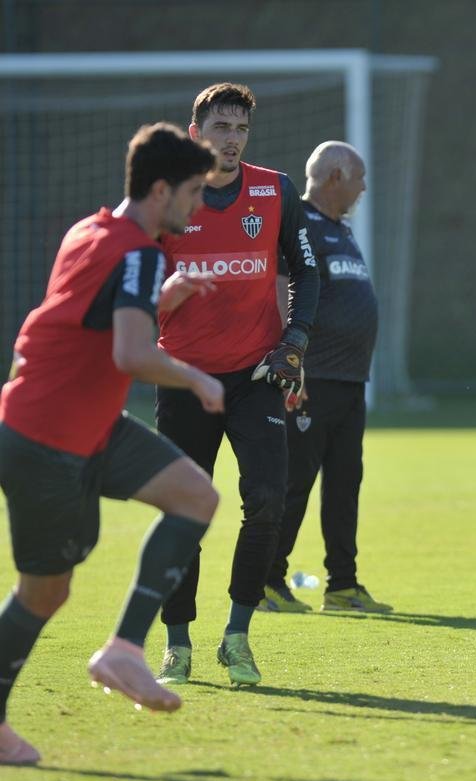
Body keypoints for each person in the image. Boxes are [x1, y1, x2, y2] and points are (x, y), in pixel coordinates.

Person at [0, 123, 222, 765]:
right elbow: (130, 351)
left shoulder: (92, 230)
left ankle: (124, 651)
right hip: (46, 437)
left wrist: (164, 299)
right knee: (44, 592)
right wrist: (194, 375)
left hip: (86, 424)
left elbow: (92, 324)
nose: (198, 206)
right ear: (161, 189)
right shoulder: (140, 254)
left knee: (195, 496)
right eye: (191, 192)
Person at [154, 83, 320, 687]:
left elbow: (304, 270)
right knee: (184, 512)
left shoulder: (274, 190)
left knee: (269, 502)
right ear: (195, 132)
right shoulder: (167, 199)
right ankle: (177, 643)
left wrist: (294, 340)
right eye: (220, 127)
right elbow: (134, 286)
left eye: (240, 129)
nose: (231, 139)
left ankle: (238, 637)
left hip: (256, 377)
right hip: (184, 379)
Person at [259, 141, 391, 615]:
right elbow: (278, 288)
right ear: (334, 176)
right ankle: (267, 581)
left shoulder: (343, 230)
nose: (363, 187)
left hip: (350, 380)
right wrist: (291, 361)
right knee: (295, 481)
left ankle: (343, 585)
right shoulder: (299, 225)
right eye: (359, 177)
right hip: (312, 378)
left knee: (344, 483)